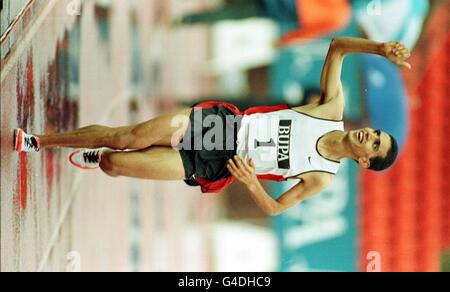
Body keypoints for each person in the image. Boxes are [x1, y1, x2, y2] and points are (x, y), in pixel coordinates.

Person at [14, 37, 411, 216]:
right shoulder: (331, 109)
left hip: (220, 166)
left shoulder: (321, 179)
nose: (369, 136)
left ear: (363, 162)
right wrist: (379, 48)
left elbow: (275, 209)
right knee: (127, 137)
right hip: (222, 128)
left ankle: (100, 157)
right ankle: (38, 140)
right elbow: (337, 47)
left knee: (114, 164)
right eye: (376, 134)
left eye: (374, 145)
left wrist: (252, 182)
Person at [174, 0, 352, 47]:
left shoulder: (342, 16)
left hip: (282, 9)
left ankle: (186, 19)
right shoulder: (342, 17)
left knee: (233, 13)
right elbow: (311, 33)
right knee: (232, 14)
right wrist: (285, 40)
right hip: (280, 11)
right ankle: (185, 20)